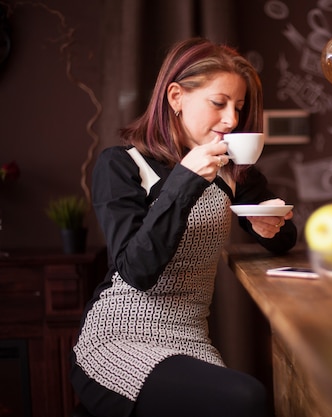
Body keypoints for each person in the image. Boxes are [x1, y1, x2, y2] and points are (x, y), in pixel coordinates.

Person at [70, 37, 297, 417]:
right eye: (218, 103)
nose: (232, 120)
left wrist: (271, 224)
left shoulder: (232, 171)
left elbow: (285, 237)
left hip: (190, 336)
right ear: (176, 96)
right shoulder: (121, 165)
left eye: (238, 107)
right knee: (247, 398)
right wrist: (185, 180)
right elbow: (136, 270)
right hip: (117, 337)